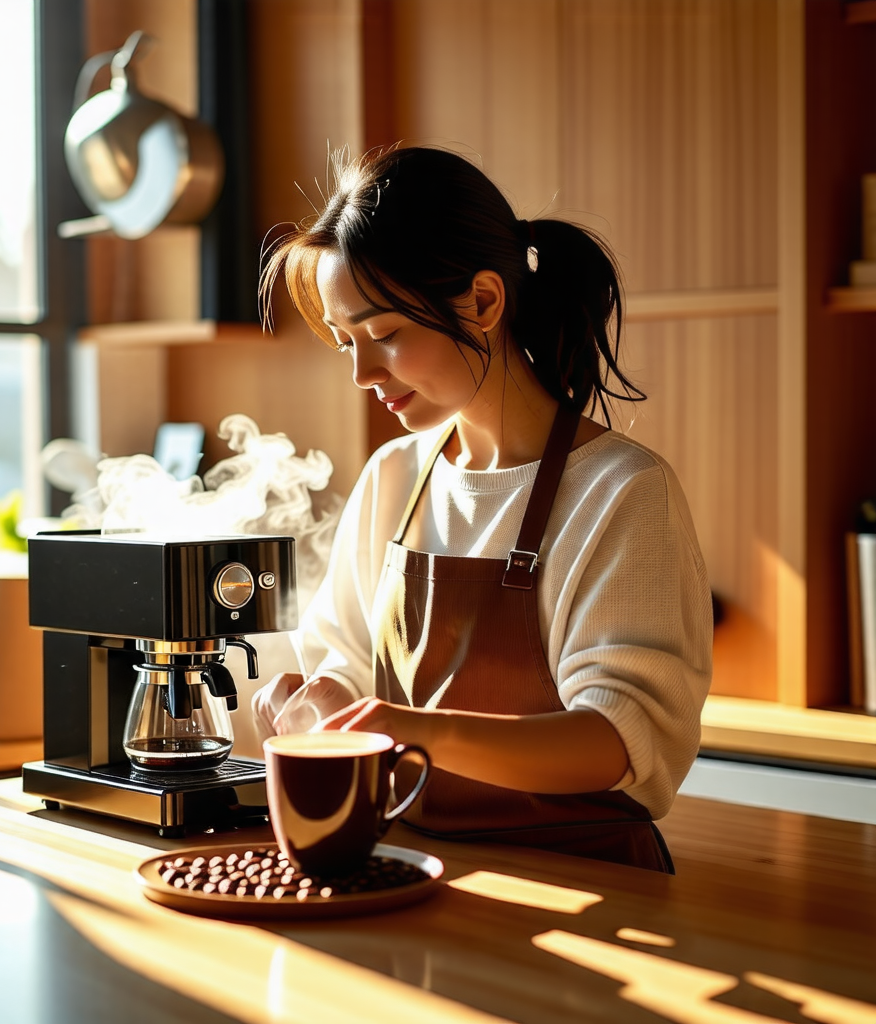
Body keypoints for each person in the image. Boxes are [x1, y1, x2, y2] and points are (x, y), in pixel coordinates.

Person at [253, 146, 712, 872]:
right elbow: (344, 664)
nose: (362, 374)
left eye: (385, 336)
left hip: (589, 881)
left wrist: (413, 729)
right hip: (419, 867)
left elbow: (619, 739)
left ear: (485, 301)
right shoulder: (392, 478)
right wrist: (314, 704)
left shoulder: (621, 492)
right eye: (347, 343)